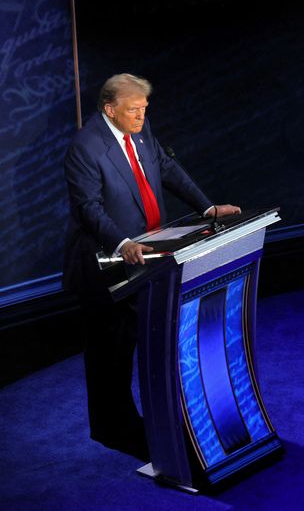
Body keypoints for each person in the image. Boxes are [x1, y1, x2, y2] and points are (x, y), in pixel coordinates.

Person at [63, 73, 241, 461]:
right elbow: (88, 208)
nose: (141, 117)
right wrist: (123, 243)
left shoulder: (140, 129)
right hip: (105, 265)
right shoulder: (86, 147)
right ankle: (113, 429)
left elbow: (167, 168)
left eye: (144, 109)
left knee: (141, 340)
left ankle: (143, 423)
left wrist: (207, 208)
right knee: (110, 352)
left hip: (149, 261)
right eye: (133, 110)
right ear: (110, 110)